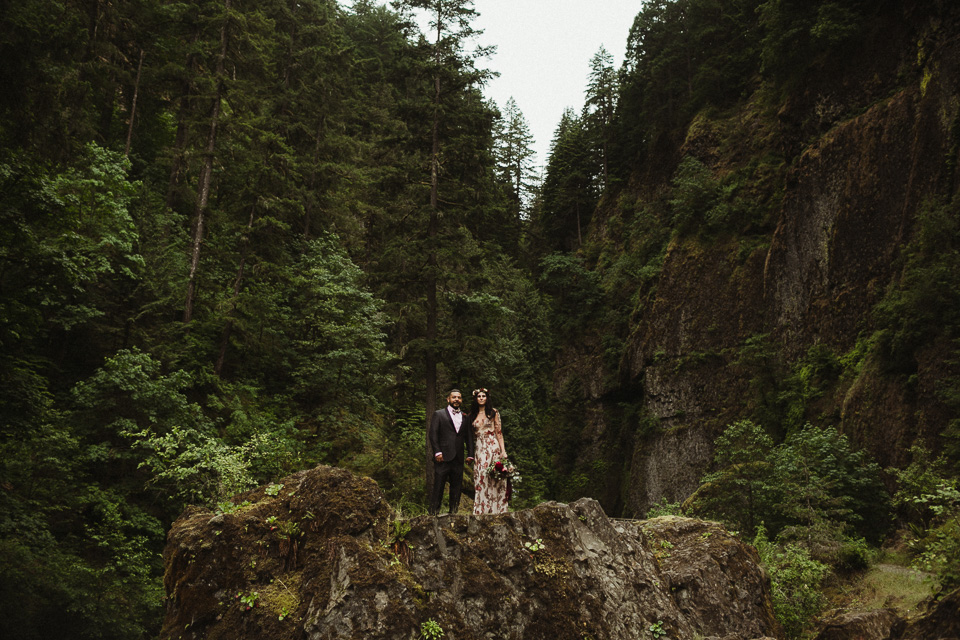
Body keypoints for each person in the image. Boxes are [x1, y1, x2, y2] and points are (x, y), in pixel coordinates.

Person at [427, 388, 475, 515]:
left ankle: (453, 514)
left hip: (458, 458)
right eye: (454, 397)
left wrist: (470, 454)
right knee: (439, 486)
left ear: (461, 400)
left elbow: (469, 437)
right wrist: (437, 452)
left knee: (456, 487)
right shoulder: (439, 414)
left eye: (459, 397)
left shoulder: (465, 417)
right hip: (442, 457)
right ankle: (433, 514)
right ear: (448, 399)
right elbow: (433, 434)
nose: (456, 399)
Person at [469, 388, 509, 514]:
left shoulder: (493, 412)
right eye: (479, 396)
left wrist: (503, 451)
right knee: (481, 476)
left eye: (483, 396)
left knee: (495, 476)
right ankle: (482, 509)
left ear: (487, 398)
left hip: (492, 446)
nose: (481, 398)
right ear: (476, 399)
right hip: (480, 447)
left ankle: (497, 509)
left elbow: (499, 432)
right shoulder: (472, 415)